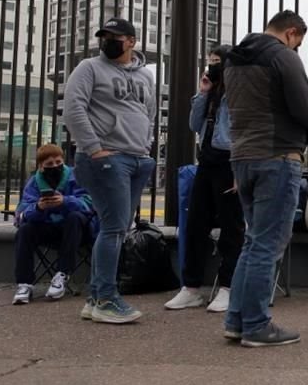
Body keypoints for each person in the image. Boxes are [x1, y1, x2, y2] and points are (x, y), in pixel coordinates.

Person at [223, 10, 308, 347]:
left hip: (243, 157)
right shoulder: (283, 57)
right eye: (298, 43)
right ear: (291, 33)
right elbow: (305, 109)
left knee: (253, 242)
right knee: (267, 245)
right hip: (277, 156)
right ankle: (257, 326)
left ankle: (236, 320)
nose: (297, 50)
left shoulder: (234, 59)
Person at [64, 17, 156, 324]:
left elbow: (149, 112)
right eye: (104, 36)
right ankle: (106, 297)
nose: (107, 41)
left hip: (136, 159)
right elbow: (74, 108)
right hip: (106, 158)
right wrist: (94, 148)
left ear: (131, 41)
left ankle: (95, 299)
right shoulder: (89, 68)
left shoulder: (145, 75)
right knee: (115, 228)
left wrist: (147, 146)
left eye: (115, 36)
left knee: (116, 228)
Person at [165, 45, 244, 313]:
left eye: (217, 62)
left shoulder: (239, 92)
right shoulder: (211, 93)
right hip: (207, 162)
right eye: (209, 61)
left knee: (231, 228)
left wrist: (240, 170)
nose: (212, 66)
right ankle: (191, 287)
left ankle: (228, 287)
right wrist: (203, 92)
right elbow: (194, 125)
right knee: (195, 223)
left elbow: (244, 132)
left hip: (229, 163)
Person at [12, 143, 96, 304]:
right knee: (25, 230)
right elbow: (22, 214)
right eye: (49, 164)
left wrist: (65, 201)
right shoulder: (34, 183)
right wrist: (38, 207)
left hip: (78, 231)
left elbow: (89, 203)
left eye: (58, 162)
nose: (55, 166)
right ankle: (24, 284)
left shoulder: (76, 176)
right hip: (49, 229)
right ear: (41, 166)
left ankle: (62, 275)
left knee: (74, 217)